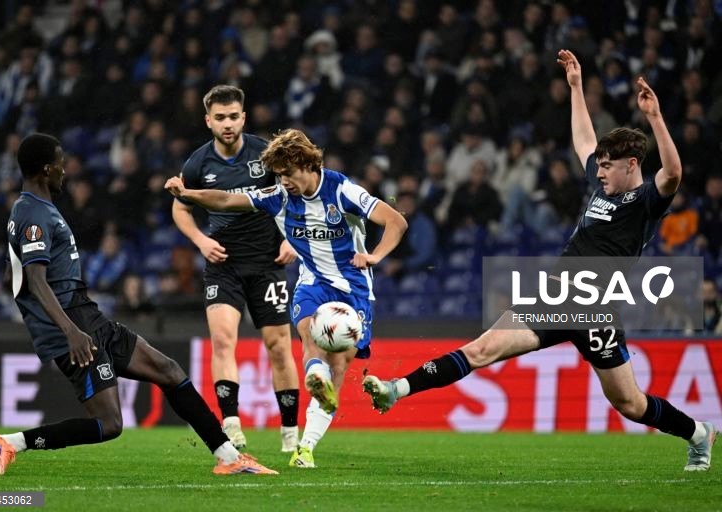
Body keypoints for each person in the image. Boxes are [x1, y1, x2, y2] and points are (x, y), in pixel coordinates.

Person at [362, 49, 717, 472]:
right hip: (555, 295)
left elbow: (673, 173)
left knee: (630, 403)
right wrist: (576, 88)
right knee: (481, 349)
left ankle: (698, 433)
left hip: (596, 310)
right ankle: (397, 389)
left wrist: (655, 118)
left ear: (632, 164)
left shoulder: (645, 201)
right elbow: (583, 140)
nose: (599, 172)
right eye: (599, 167)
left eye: (607, 166)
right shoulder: (603, 187)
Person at [0, 133, 277, 476]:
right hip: (73, 326)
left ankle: (229, 457)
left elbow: (12, 275)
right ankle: (12, 443)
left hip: (86, 315)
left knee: (169, 371)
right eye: (60, 163)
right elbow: (34, 280)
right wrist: (69, 332)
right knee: (109, 424)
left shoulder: (35, 209)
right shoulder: (33, 213)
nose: (65, 170)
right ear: (46, 169)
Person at [165, 128, 408, 468]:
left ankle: (305, 446)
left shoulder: (342, 190)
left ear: (307, 164)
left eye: (288, 173)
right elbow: (227, 200)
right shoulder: (278, 195)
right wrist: (188, 194)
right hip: (312, 282)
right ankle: (315, 373)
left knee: (340, 363)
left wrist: (375, 256)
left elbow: (395, 221)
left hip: (353, 288)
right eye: (279, 175)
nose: (284, 181)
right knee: (309, 334)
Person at [171, 85, 301, 452]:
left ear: (243, 117)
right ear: (208, 121)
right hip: (223, 264)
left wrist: (292, 239)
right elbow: (181, 207)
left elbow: (295, 195)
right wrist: (200, 241)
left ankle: (290, 434)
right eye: (220, 118)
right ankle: (231, 425)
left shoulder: (267, 154)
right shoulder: (197, 163)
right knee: (223, 340)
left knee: (278, 346)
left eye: (233, 117)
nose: (227, 124)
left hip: (267, 263)